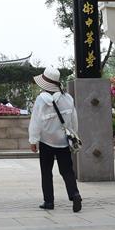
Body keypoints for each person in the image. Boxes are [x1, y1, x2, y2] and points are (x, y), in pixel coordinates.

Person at [29, 67, 82, 213]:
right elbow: (73, 120)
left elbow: (35, 122)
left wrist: (33, 140)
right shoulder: (68, 98)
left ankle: (49, 202)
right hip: (63, 142)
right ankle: (75, 194)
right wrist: (73, 134)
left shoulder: (41, 100)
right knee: (67, 171)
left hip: (46, 142)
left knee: (46, 172)